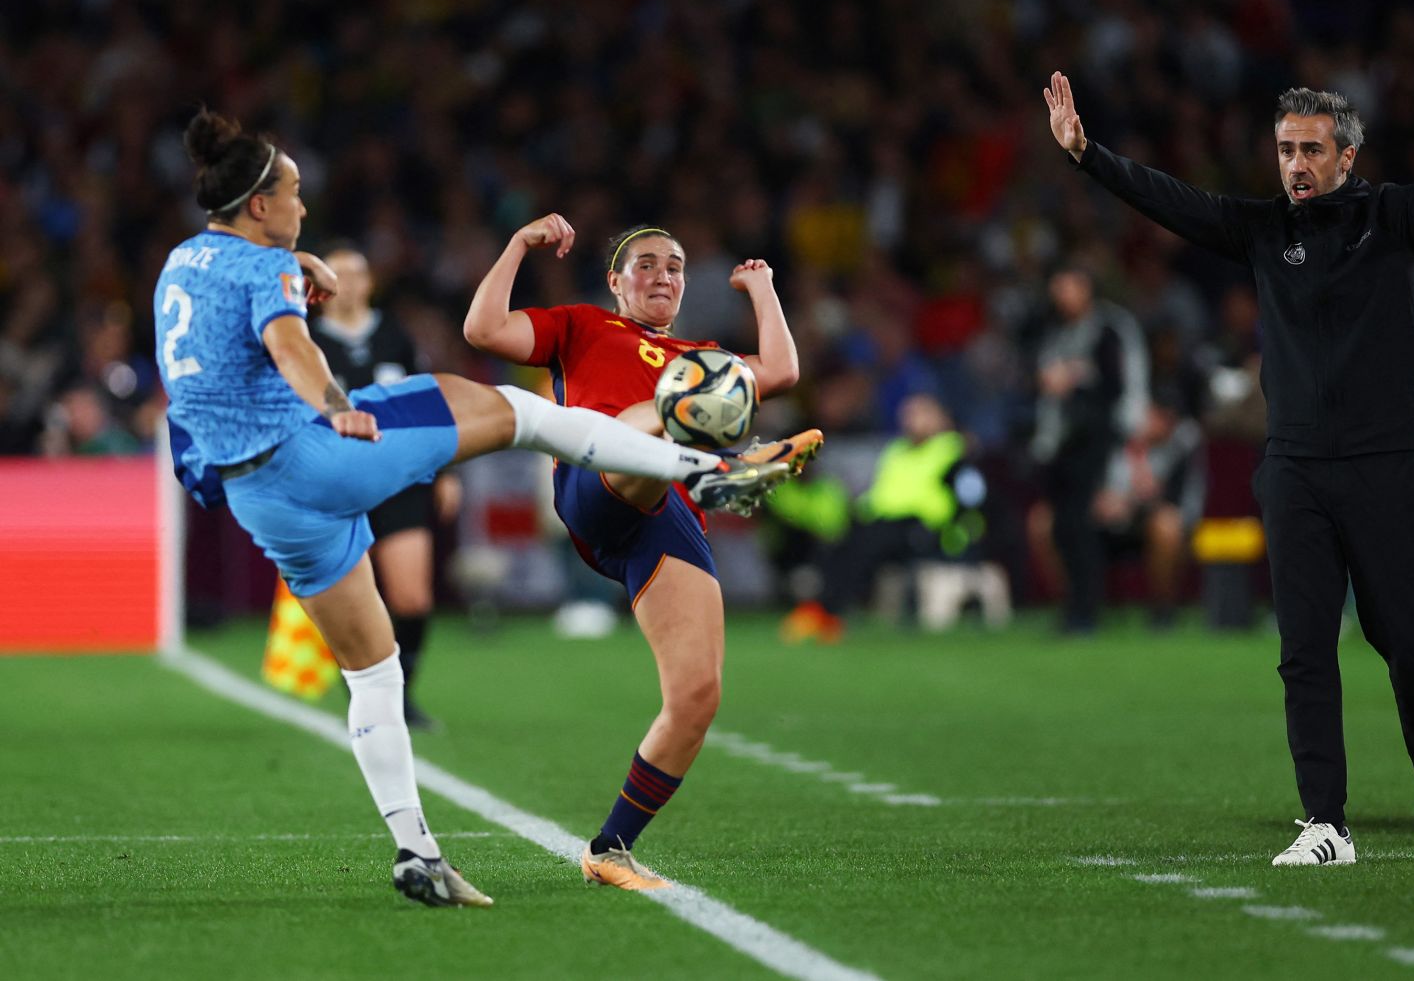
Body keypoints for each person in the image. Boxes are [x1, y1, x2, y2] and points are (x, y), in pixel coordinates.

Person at [155, 110, 792, 907]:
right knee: (509, 412)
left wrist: (305, 263)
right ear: (257, 206)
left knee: (375, 667)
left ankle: (416, 851)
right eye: (292, 194)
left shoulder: (182, 262)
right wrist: (335, 400)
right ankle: (702, 469)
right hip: (316, 447)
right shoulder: (268, 272)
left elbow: (245, 306)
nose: (303, 207)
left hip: (258, 499)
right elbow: (290, 343)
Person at [1044, 53, 1414, 865]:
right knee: (1302, 647)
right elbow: (1173, 202)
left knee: (1408, 641)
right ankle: (1326, 823)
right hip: (1295, 464)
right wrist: (1088, 153)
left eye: (1310, 150)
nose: (1295, 164)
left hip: (1386, 463)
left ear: (1346, 156)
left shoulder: (1394, 219)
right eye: (1285, 150)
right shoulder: (1264, 231)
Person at [463, 223, 822, 890]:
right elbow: (483, 330)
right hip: (593, 481)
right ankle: (713, 464)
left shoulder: (700, 352)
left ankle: (610, 848)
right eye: (646, 264)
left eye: (676, 267)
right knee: (680, 398)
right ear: (615, 280)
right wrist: (515, 244)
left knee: (697, 695)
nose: (663, 275)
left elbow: (782, 372)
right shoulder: (581, 326)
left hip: (665, 517)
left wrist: (764, 289)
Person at [311, 243, 456, 730]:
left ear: (371, 282)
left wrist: (447, 472)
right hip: (336, 484)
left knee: (411, 597)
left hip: (398, 478)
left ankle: (403, 695)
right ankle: (365, 695)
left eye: (359, 272)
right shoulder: (305, 341)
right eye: (340, 273)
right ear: (322, 284)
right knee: (350, 601)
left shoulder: (395, 335)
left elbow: (423, 403)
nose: (349, 282)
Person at [781, 391, 985, 642]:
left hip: (925, 527)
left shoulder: (954, 451)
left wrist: (956, 536)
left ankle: (828, 612)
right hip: (884, 521)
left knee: (866, 546)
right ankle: (823, 610)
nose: (912, 420)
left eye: (921, 413)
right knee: (840, 540)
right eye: (908, 414)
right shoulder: (898, 450)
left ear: (940, 418)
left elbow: (970, 500)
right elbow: (883, 493)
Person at [1028, 265, 1139, 633]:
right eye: (1058, 288)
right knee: (1062, 527)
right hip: (1063, 442)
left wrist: (1074, 379)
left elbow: (1120, 386)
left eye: (1070, 287)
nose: (1063, 296)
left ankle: (1086, 611)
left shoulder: (1110, 328)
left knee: (1081, 525)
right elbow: (1039, 377)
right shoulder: (1054, 331)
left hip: (1098, 440)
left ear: (1088, 289)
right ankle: (1072, 605)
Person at [1090, 392, 1204, 628]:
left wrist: (1138, 501)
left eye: (1160, 418)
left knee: (1167, 525)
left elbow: (1185, 508)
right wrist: (1102, 501)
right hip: (1108, 522)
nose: (1150, 422)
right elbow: (1088, 486)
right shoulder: (1113, 444)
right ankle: (1081, 609)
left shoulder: (1181, 453)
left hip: (1149, 524)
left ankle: (1163, 610)